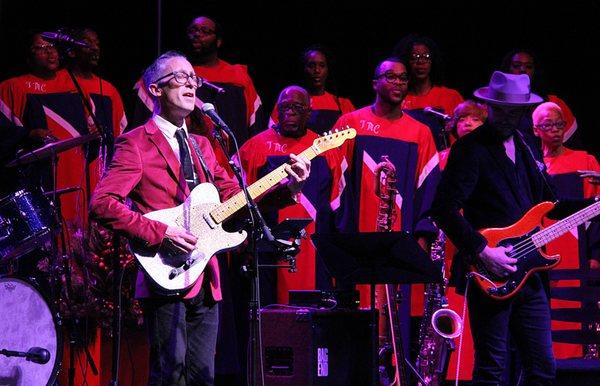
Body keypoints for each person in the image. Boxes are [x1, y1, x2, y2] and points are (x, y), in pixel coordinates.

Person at [89, 51, 310, 386]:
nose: (191, 83)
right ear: (155, 89)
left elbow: (241, 200)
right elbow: (102, 203)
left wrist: (289, 185)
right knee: (170, 376)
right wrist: (161, 232)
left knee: (203, 377)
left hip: (206, 276)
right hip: (165, 274)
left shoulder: (203, 145)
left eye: (193, 78)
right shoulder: (135, 143)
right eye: (180, 77)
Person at [431, 71, 597, 384]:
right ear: (488, 107)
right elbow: (443, 209)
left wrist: (595, 205)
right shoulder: (470, 149)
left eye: (514, 111)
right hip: (490, 270)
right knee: (491, 369)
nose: (507, 117)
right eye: (501, 110)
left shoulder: (525, 146)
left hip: (530, 271)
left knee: (541, 368)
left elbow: (550, 206)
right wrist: (482, 251)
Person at [333, 58, 440, 364]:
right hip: (358, 238)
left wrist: (421, 236)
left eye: (403, 79)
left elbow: (428, 189)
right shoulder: (350, 124)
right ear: (374, 83)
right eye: (390, 77)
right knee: (355, 323)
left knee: (396, 324)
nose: (398, 83)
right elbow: (336, 183)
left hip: (399, 242)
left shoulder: (420, 133)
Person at [238, 85, 343, 305]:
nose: (290, 112)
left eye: (297, 107)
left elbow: (338, 207)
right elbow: (238, 201)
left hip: (315, 253)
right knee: (270, 316)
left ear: (309, 111)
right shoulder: (255, 147)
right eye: (284, 107)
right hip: (268, 252)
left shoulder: (326, 149)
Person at [532, 101, 600, 359]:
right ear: (536, 130)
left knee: (574, 326)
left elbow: (597, 214)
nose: (556, 130)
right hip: (540, 260)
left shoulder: (584, 161)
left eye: (559, 124)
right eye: (548, 125)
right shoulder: (534, 168)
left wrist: (595, 254)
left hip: (578, 257)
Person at [501, 48, 580, 148]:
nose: (523, 70)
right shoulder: (497, 107)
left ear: (535, 71)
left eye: (528, 66)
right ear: (508, 69)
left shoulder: (554, 104)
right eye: (517, 66)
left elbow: (572, 146)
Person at [267, 45, 355, 135]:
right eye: (311, 65)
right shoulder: (286, 103)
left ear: (328, 70)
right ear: (304, 69)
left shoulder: (344, 105)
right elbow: (272, 136)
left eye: (322, 65)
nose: (317, 70)